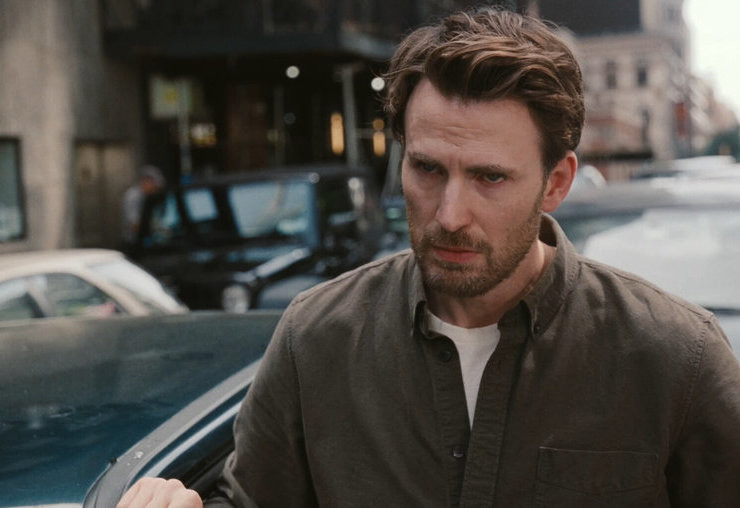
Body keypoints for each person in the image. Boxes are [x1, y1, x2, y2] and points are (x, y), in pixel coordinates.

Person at [118, 7, 740, 507]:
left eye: (490, 177)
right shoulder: (316, 339)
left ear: (556, 183)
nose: (449, 214)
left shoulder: (674, 358)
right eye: (427, 168)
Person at [121, 165, 165, 246]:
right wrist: (156, 229)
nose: (155, 191)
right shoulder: (133, 196)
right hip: (132, 243)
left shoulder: (145, 196)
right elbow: (134, 225)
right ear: (147, 181)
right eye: (154, 187)